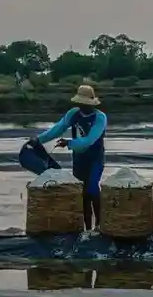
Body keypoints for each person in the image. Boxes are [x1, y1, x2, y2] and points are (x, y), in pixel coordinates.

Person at [30, 85, 108, 230]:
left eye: (85, 104)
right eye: (80, 103)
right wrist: (38, 140)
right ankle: (87, 228)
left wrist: (69, 143)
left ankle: (99, 224)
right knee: (82, 192)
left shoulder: (100, 118)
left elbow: (89, 141)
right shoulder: (73, 114)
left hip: (95, 158)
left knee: (92, 188)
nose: (82, 106)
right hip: (79, 159)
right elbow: (57, 129)